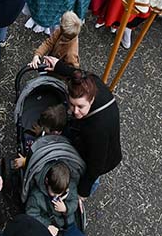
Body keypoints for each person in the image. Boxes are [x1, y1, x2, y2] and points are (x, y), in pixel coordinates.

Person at [42, 60, 121, 199]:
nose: (75, 111)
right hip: (90, 141)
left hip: (103, 158)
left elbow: (95, 166)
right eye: (72, 104)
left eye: (80, 106)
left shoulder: (98, 129)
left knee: (91, 177)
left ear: (91, 100)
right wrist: (59, 66)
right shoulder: (91, 83)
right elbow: (79, 75)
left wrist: (82, 191)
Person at [25, 160, 93, 236]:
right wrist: (47, 225)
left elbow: (74, 202)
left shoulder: (70, 186)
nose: (56, 196)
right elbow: (31, 214)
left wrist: (66, 208)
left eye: (59, 194)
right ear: (47, 181)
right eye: (53, 193)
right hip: (50, 230)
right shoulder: (36, 196)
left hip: (68, 226)